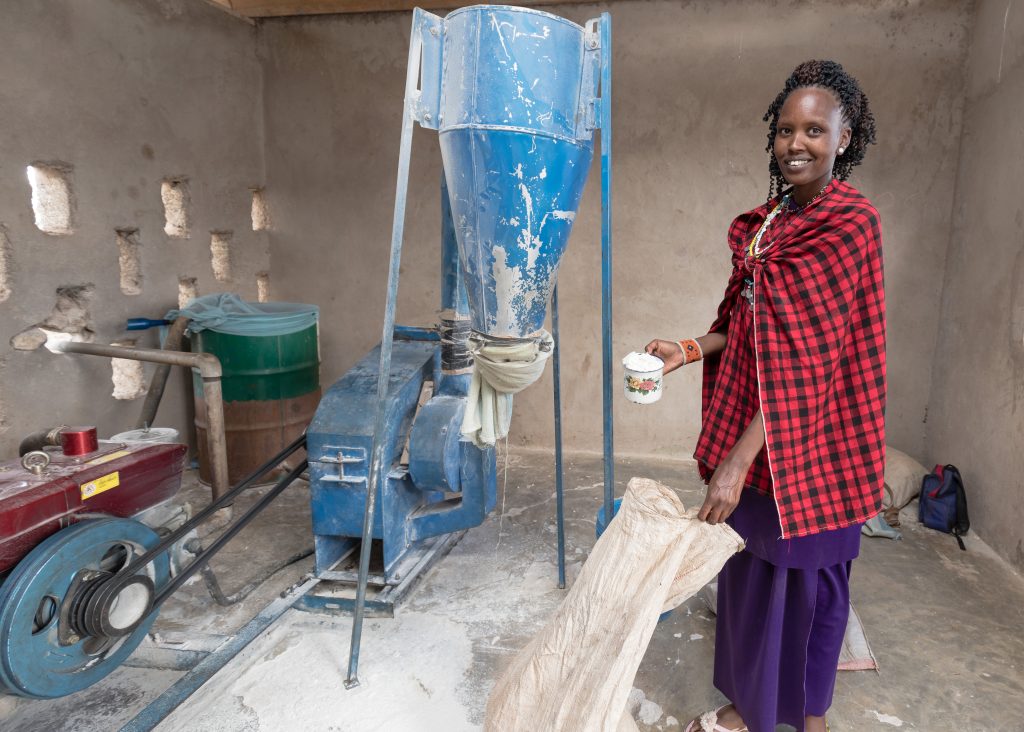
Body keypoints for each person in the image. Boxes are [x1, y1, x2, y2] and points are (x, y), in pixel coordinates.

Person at [645, 60, 885, 732]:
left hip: (819, 442)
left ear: (845, 138)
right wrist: (688, 350)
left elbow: (811, 363)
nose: (796, 142)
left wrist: (739, 460)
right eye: (785, 129)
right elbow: (744, 327)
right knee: (752, 577)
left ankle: (807, 716)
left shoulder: (849, 224)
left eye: (815, 129)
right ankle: (748, 709)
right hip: (760, 426)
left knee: (808, 584)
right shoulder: (767, 224)